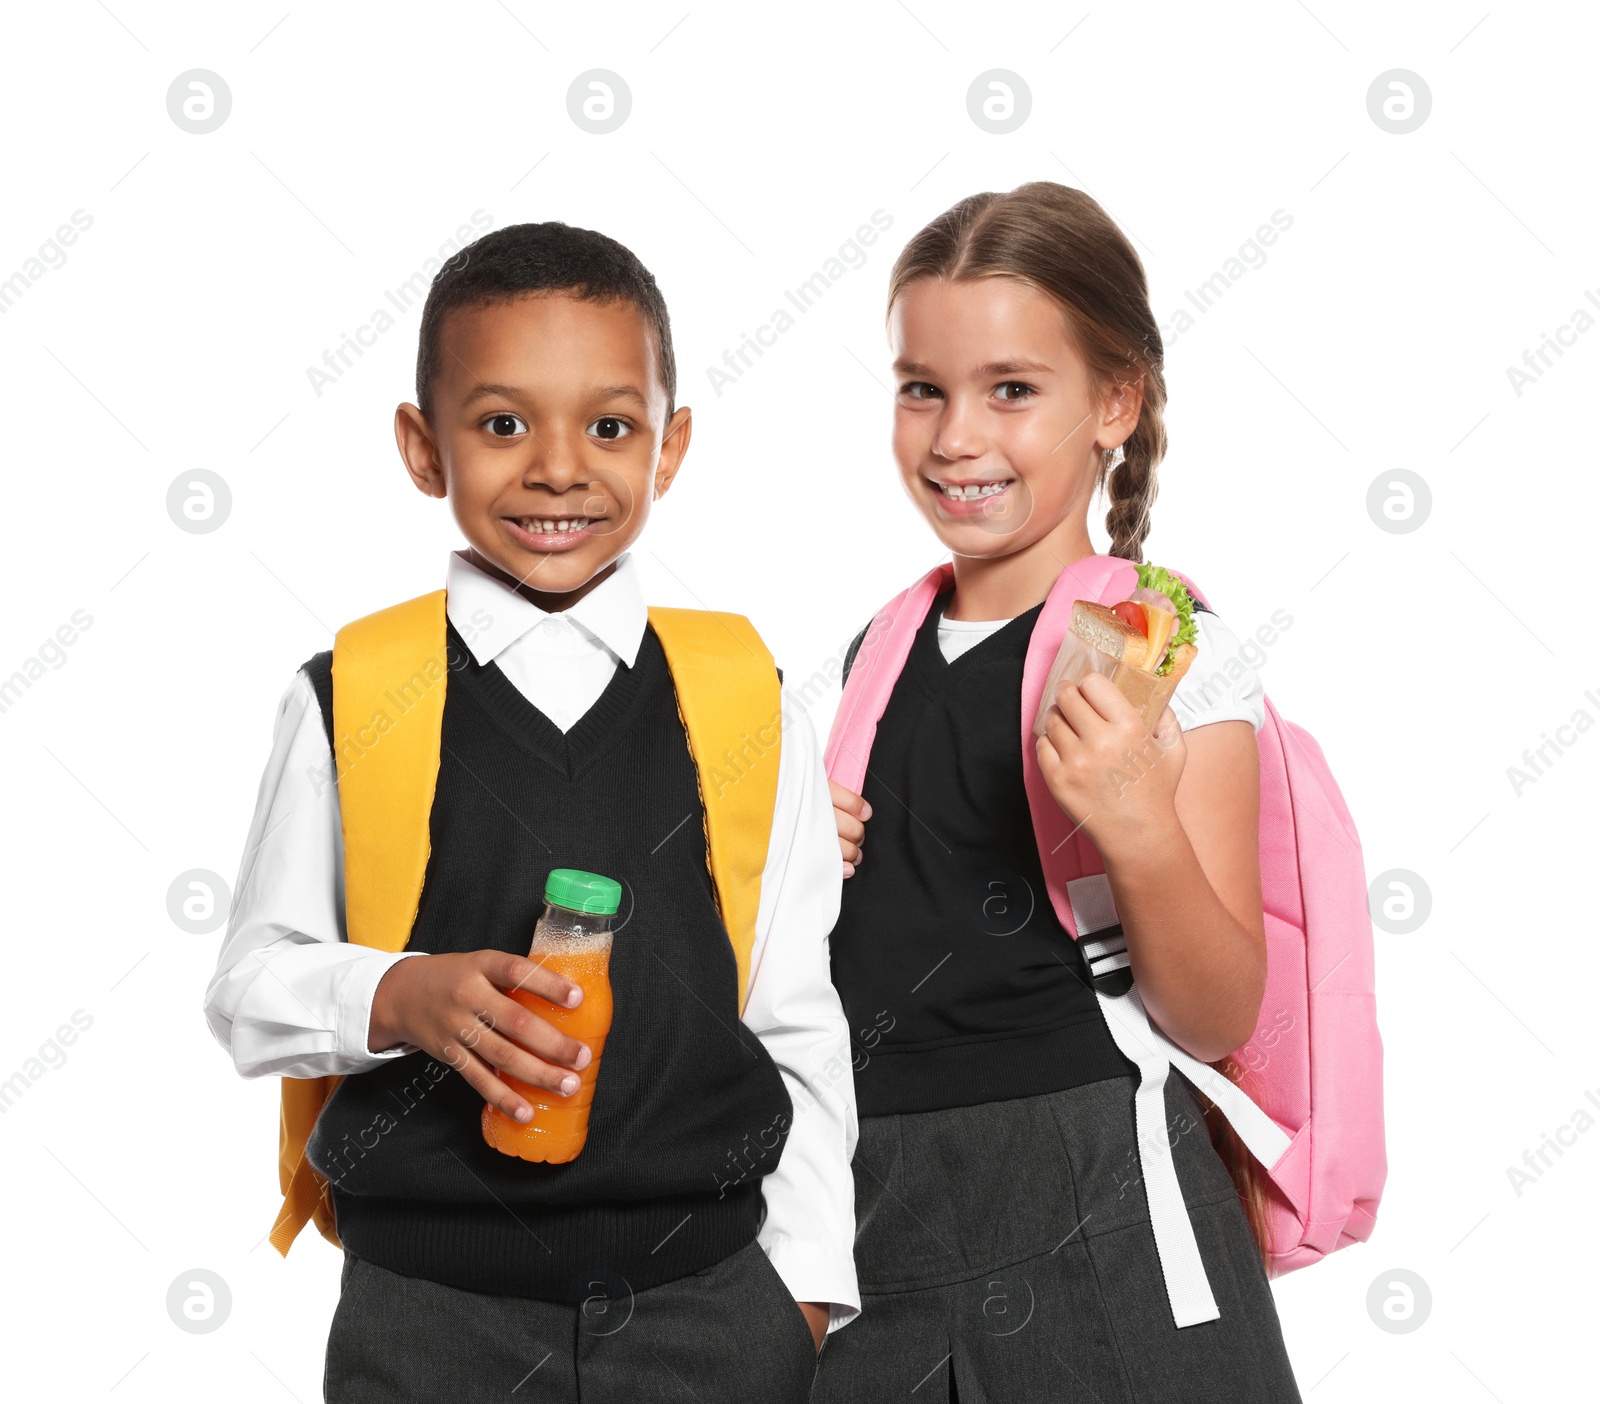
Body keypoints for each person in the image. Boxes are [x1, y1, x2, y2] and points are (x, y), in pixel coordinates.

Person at [204, 221, 857, 1403]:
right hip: (427, 1320)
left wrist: (802, 1297)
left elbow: (795, 1014)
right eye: (502, 423)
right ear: (422, 444)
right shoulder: (351, 695)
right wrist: (399, 995)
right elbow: (251, 991)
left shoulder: (743, 696)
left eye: (610, 425)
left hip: (713, 1311)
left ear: (671, 448)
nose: (559, 467)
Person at [815, 183, 1303, 1402]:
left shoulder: (1161, 641)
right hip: (881, 1204)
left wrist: (1138, 829)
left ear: (1114, 405)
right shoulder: (870, 654)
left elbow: (1216, 1011)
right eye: (921, 386)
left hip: (1100, 1194)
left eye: (1011, 390)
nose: (954, 436)